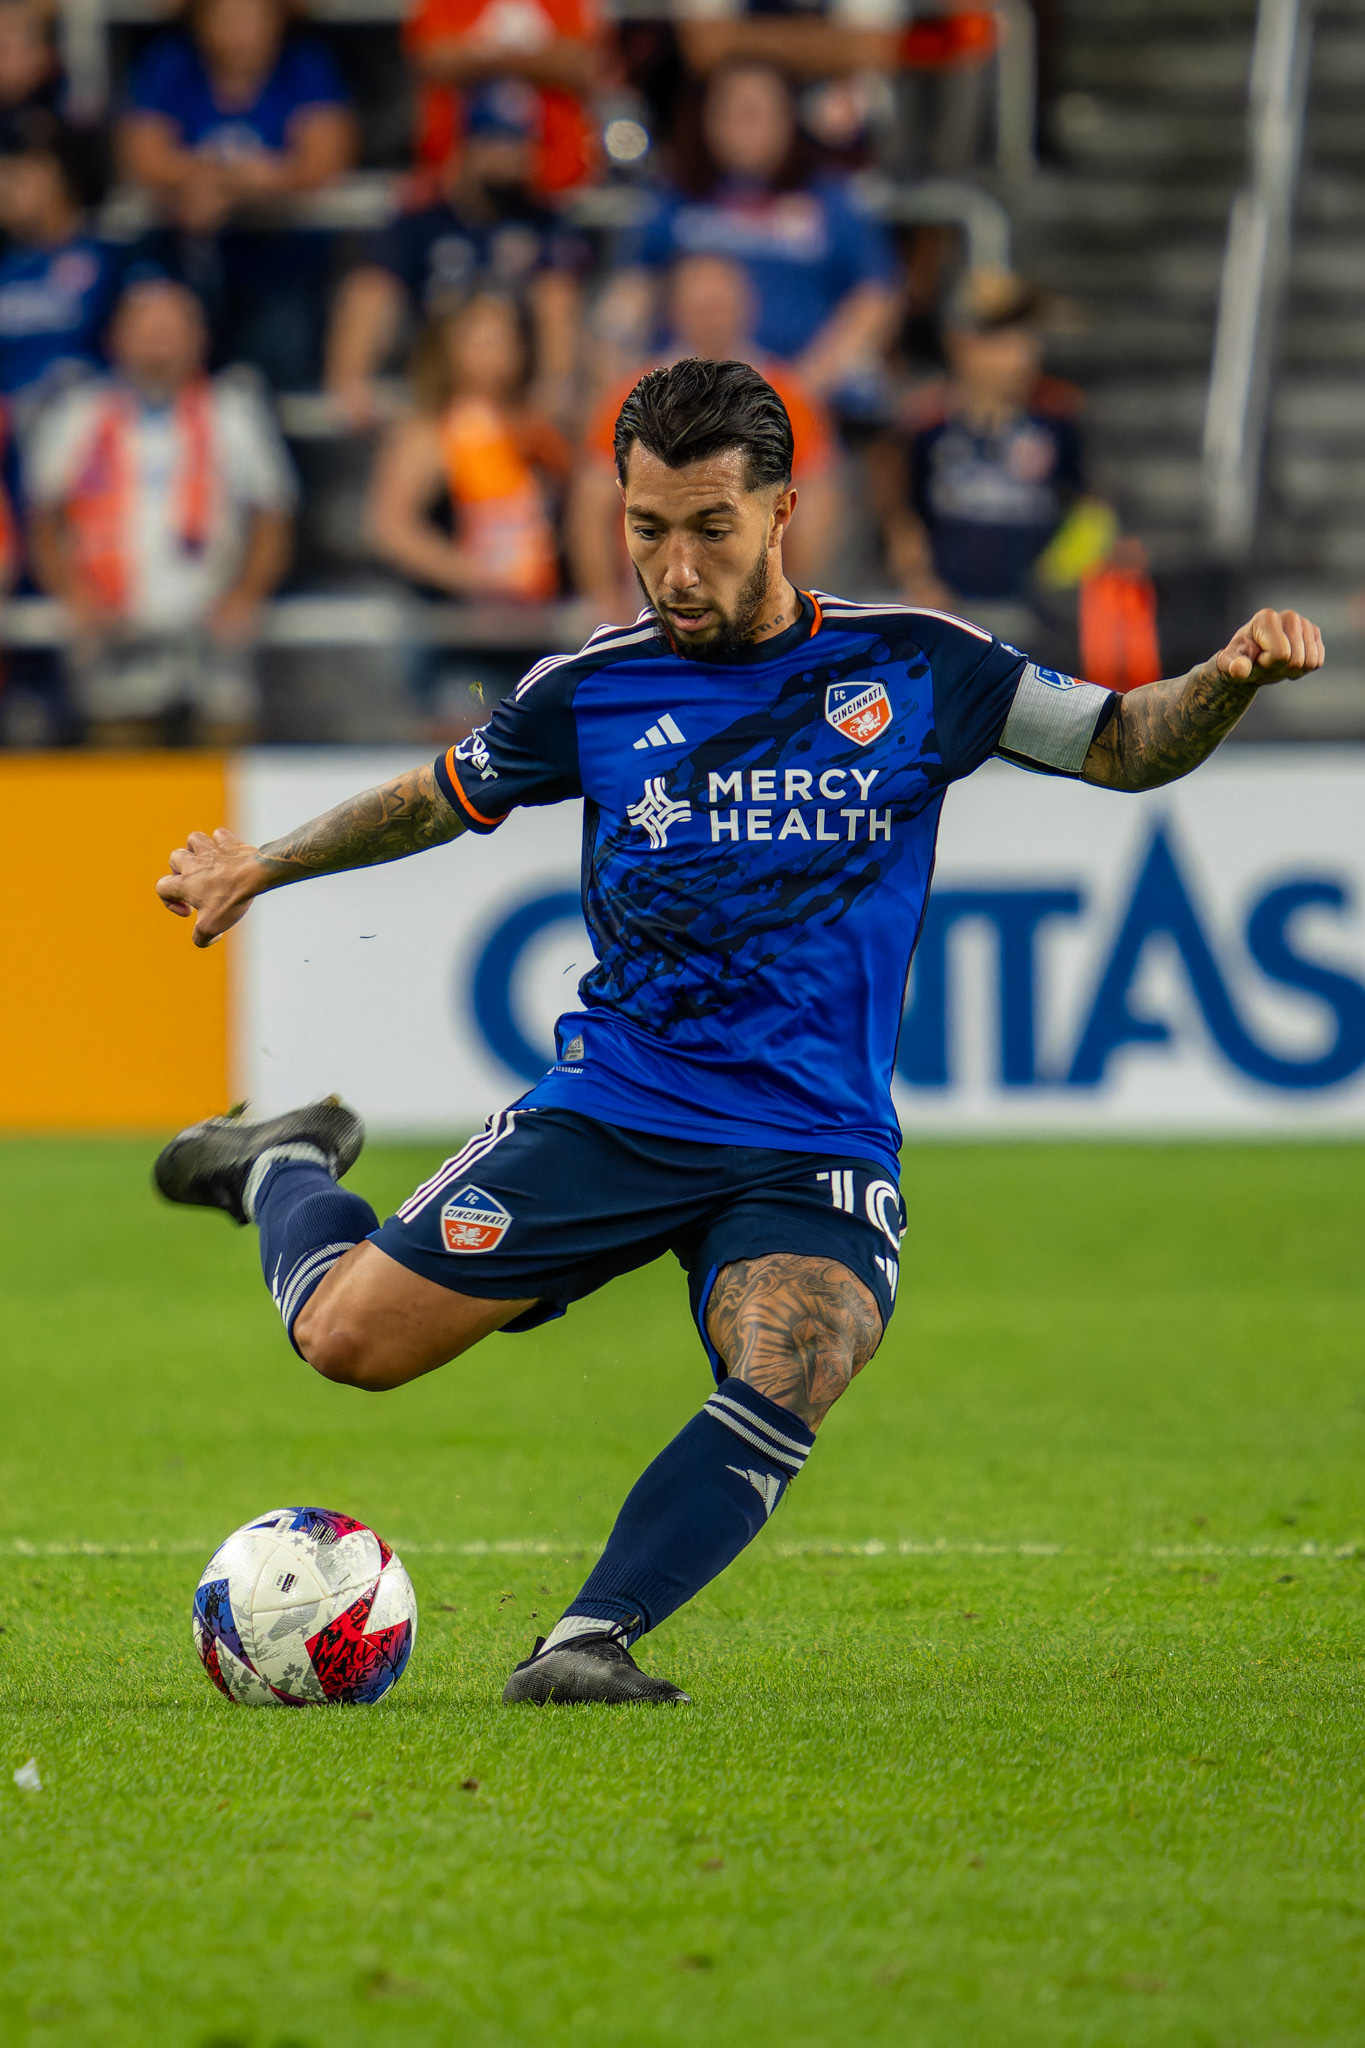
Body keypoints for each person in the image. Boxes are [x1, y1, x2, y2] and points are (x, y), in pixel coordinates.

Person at [152, 358, 1324, 1707]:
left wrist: (1225, 679)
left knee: (801, 1346)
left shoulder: (919, 665)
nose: (676, 568)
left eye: (710, 527)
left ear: (782, 511)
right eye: (646, 528)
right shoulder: (591, 690)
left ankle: (585, 1639)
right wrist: (263, 863)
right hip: (619, 1107)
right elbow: (435, 796)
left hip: (809, 1137)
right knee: (346, 1342)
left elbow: (1121, 740)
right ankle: (281, 1164)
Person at [27, 278, 296, 745]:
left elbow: (272, 518)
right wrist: (73, 596)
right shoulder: (78, 414)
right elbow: (45, 520)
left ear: (200, 338)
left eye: (170, 331)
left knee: (224, 752)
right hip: (115, 644)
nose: (158, 345)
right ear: (115, 338)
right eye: (146, 331)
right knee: (120, 760)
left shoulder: (232, 412)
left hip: (212, 645)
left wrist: (246, 595)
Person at [569, 250, 839, 614]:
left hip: (755, 591)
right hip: (652, 592)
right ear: (675, 311)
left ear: (747, 308)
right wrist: (605, 600)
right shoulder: (632, 396)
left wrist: (791, 595)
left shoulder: (789, 398)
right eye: (700, 306)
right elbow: (592, 504)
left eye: (719, 305)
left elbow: (815, 500)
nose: (711, 318)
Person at [613, 59, 899, 404]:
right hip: (683, 395)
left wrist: (802, 388)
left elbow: (877, 296)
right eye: (726, 112)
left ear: (788, 119)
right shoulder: (675, 196)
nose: (739, 127)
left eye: (753, 113)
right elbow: (627, 296)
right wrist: (620, 372)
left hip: (798, 391)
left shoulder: (831, 199)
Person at [324, 80, 589, 431]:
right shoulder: (424, 221)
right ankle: (349, 386)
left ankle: (552, 395)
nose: (508, 157)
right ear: (467, 145)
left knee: (543, 298)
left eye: (518, 143)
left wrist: (555, 384)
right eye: (494, 141)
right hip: (434, 385)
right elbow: (372, 288)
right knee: (371, 288)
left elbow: (558, 299)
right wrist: (351, 379)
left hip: (518, 390)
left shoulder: (544, 223)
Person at [118, 0, 355, 387]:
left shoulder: (305, 64)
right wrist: (210, 177)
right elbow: (143, 156)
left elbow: (324, 159)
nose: (240, 34)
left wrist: (260, 182)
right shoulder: (171, 61)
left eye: (252, 18)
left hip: (283, 260)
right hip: (186, 252)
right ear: (202, 23)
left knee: (280, 344)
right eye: (226, 19)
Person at [870, 270, 1092, 637]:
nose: (1023, 353)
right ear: (961, 343)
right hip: (947, 608)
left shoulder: (1057, 417)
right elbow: (899, 515)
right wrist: (919, 579)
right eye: (1003, 339)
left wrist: (1061, 579)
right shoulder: (924, 422)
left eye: (1028, 336)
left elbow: (1087, 506)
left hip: (1035, 611)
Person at [404, 0, 599, 197]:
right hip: (451, 178)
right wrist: (536, 59)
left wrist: (483, 56)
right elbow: (437, 61)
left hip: (556, 178)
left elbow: (578, 66)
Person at [0, 115, 123, 416]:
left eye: (14, 175)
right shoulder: (6, 264)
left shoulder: (110, 257)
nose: (3, 189)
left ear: (55, 174)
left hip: (93, 420)